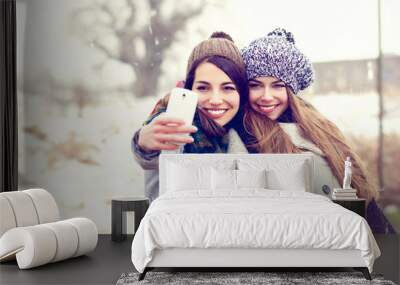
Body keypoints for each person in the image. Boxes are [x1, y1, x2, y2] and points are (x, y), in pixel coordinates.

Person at [240, 28, 395, 234]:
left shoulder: (320, 126)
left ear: (291, 89)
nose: (267, 96)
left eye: (277, 86)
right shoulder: (245, 131)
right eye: (256, 85)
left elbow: (359, 191)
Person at [132, 32, 249, 202]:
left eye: (228, 88)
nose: (215, 100)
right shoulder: (177, 120)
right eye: (203, 88)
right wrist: (143, 143)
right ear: (189, 89)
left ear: (241, 93)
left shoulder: (243, 126)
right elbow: (155, 150)